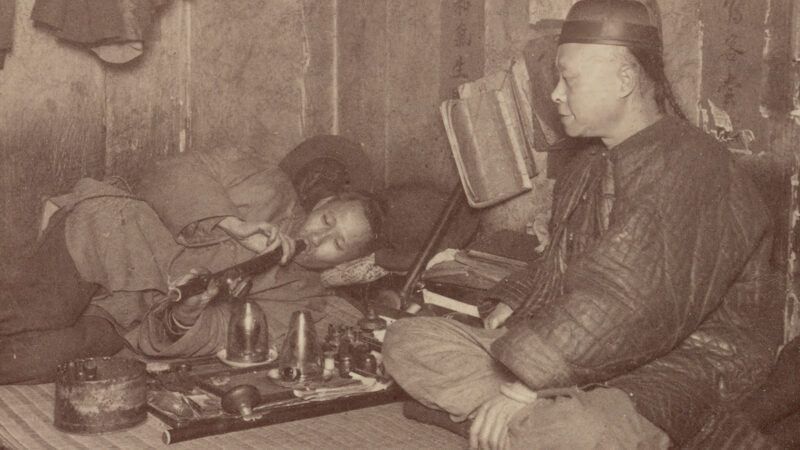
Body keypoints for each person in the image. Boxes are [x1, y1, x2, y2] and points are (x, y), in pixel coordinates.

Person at [383, 0, 782, 448]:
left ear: (625, 78)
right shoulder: (592, 162)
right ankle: (528, 422)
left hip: (678, 365)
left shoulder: (691, 164)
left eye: (567, 78)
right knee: (407, 340)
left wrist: (522, 385)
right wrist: (517, 300)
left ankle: (524, 420)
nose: (555, 93)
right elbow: (568, 261)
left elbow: (629, 298)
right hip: (584, 354)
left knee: (571, 430)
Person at [0, 136, 384, 384]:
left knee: (43, 357)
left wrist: (184, 313)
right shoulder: (266, 179)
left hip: (128, 319)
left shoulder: (303, 301)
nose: (317, 238)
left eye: (338, 243)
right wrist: (232, 224)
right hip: (107, 240)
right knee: (43, 310)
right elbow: (171, 171)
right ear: (324, 203)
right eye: (327, 221)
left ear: (347, 261)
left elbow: (216, 335)